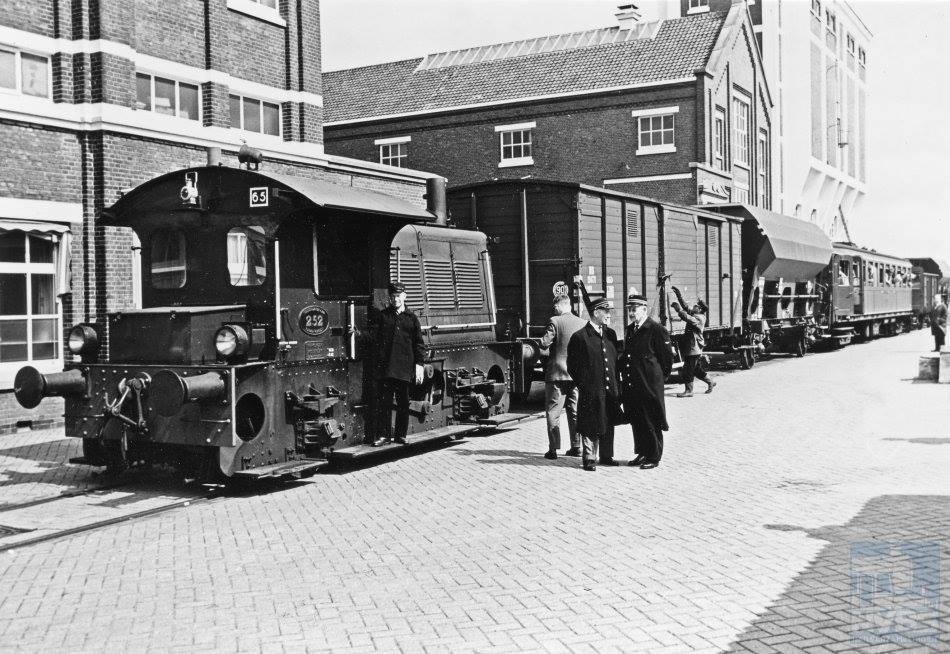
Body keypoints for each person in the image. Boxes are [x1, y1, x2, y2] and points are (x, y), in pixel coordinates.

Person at [566, 297, 622, 471]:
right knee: (591, 423)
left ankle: (606, 455)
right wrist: (585, 384)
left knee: (608, 421)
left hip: (610, 388)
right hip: (591, 390)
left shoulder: (611, 334)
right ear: (596, 313)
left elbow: (615, 361)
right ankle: (589, 458)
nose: (608, 315)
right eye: (605, 312)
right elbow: (572, 366)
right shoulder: (580, 337)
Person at [619, 293, 673, 470]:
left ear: (644, 309)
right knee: (637, 420)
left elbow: (666, 361)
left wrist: (656, 380)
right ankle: (642, 451)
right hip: (633, 385)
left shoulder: (656, 329)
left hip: (649, 386)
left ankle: (654, 456)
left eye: (634, 310)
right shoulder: (631, 329)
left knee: (651, 421)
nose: (631, 313)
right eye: (629, 310)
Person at [371, 282, 425, 446]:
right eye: (393, 296)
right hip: (387, 367)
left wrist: (419, 365)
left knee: (403, 403)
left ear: (404, 297)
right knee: (385, 402)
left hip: (404, 367)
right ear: (390, 297)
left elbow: (419, 344)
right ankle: (384, 436)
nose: (395, 299)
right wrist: (358, 334)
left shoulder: (411, 318)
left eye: (398, 296)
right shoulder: (384, 316)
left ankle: (400, 435)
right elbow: (374, 337)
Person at [539, 294, 587, 460]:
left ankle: (553, 449)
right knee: (575, 411)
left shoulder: (555, 321)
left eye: (555, 307)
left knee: (553, 412)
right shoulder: (582, 323)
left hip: (557, 374)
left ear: (559, 306)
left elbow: (545, 343)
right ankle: (576, 446)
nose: (555, 310)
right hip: (575, 375)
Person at [670, 285, 716, 397]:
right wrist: (678, 295)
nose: (693, 307)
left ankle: (689, 391)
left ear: (699, 309)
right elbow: (686, 307)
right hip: (693, 347)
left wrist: (678, 310)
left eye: (695, 306)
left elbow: (688, 318)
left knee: (687, 370)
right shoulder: (697, 313)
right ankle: (711, 381)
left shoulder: (700, 318)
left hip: (694, 348)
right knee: (695, 369)